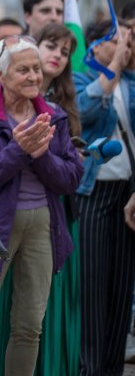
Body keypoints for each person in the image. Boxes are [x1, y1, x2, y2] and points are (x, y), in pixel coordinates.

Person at [0, 36, 83, 376]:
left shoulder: (53, 115)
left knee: (30, 325)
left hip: (43, 225)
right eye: (23, 70)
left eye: (36, 69)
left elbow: (71, 178)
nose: (34, 76)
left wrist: (41, 157)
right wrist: (18, 151)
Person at [74, 21, 135, 376]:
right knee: (93, 288)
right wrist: (113, 68)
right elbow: (85, 111)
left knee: (121, 288)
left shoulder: (130, 82)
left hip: (127, 193)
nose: (126, 44)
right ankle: (90, 368)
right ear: (95, 46)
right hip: (93, 191)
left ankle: (112, 368)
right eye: (118, 39)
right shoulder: (81, 79)